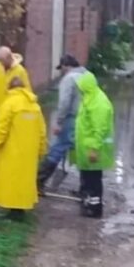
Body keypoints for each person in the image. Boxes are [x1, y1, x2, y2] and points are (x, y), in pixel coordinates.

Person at [0, 77, 47, 221]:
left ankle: (13, 211)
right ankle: (20, 210)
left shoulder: (9, 104)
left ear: (10, 88)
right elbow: (42, 131)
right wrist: (41, 150)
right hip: (29, 154)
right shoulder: (35, 106)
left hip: (11, 152)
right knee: (24, 181)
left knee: (11, 180)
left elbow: (1, 129)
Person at [37, 54, 87, 193]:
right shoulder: (88, 76)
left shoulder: (69, 79)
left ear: (66, 65)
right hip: (86, 119)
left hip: (71, 119)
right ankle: (86, 188)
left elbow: (64, 103)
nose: (62, 71)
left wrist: (59, 122)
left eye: (62, 68)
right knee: (82, 153)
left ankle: (39, 182)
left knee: (57, 149)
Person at [74, 72, 114, 219]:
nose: (79, 90)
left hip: (93, 149)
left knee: (94, 180)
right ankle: (89, 203)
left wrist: (94, 149)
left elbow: (99, 129)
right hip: (88, 148)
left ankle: (95, 208)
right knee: (88, 178)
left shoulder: (99, 103)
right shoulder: (89, 98)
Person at [0, 46, 32, 113]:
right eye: (0, 60)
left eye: (3, 60)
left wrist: (26, 108)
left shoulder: (20, 71)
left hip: (13, 110)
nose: (1, 63)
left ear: (9, 57)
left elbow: (28, 90)